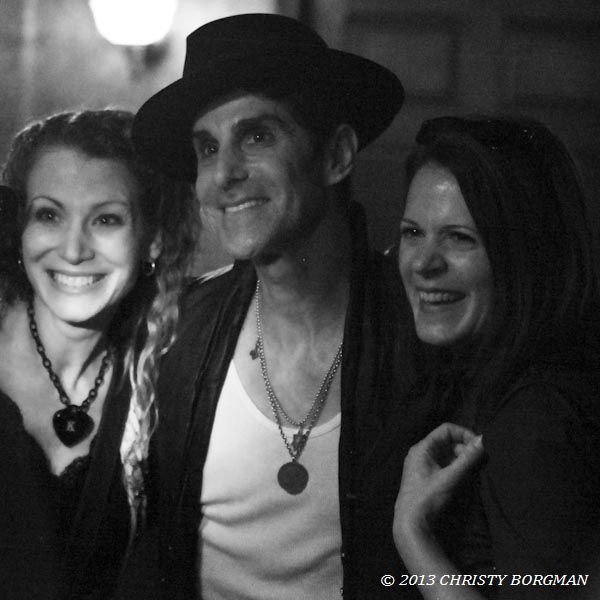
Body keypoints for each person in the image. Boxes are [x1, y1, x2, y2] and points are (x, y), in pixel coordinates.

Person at [130, 12, 431, 600]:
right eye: (207, 148)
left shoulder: (420, 330)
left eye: (257, 136)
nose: (223, 174)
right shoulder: (180, 332)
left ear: (337, 154)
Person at [392, 115, 600, 599]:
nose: (423, 263)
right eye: (412, 232)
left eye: (460, 238)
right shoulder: (494, 378)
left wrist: (412, 536)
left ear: (526, 252)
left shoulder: (536, 421)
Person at [0, 109, 199, 599]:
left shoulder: (163, 376)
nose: (73, 250)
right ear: (20, 231)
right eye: (49, 215)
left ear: (153, 238)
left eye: (106, 219)